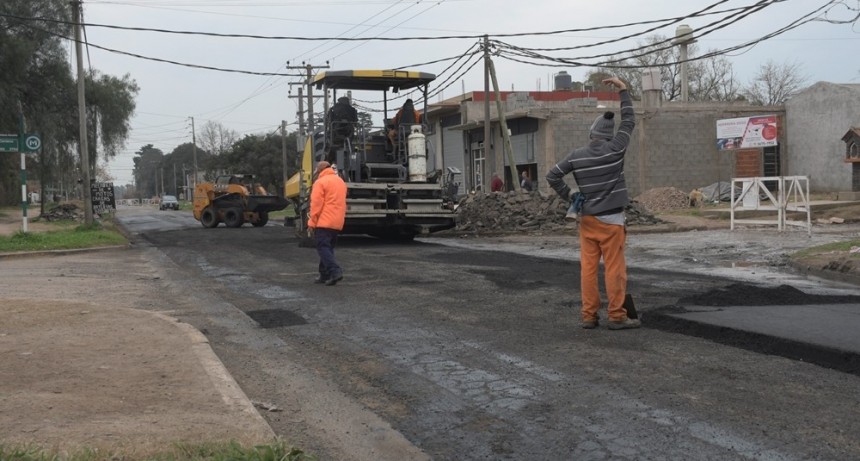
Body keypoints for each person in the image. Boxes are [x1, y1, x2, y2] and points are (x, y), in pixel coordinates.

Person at [545, 76, 639, 330]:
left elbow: (552, 175)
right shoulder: (616, 148)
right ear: (608, 136)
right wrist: (624, 92)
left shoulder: (577, 155)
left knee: (588, 269)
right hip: (612, 221)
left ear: (591, 134)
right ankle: (617, 316)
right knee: (614, 269)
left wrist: (571, 196)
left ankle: (589, 316)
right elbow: (629, 122)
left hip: (587, 219)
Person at [308, 161, 348, 286]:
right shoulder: (340, 182)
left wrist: (311, 222)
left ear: (319, 171)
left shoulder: (320, 182)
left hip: (324, 221)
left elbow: (316, 205)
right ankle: (324, 274)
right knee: (328, 248)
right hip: (337, 221)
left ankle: (335, 271)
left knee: (322, 247)